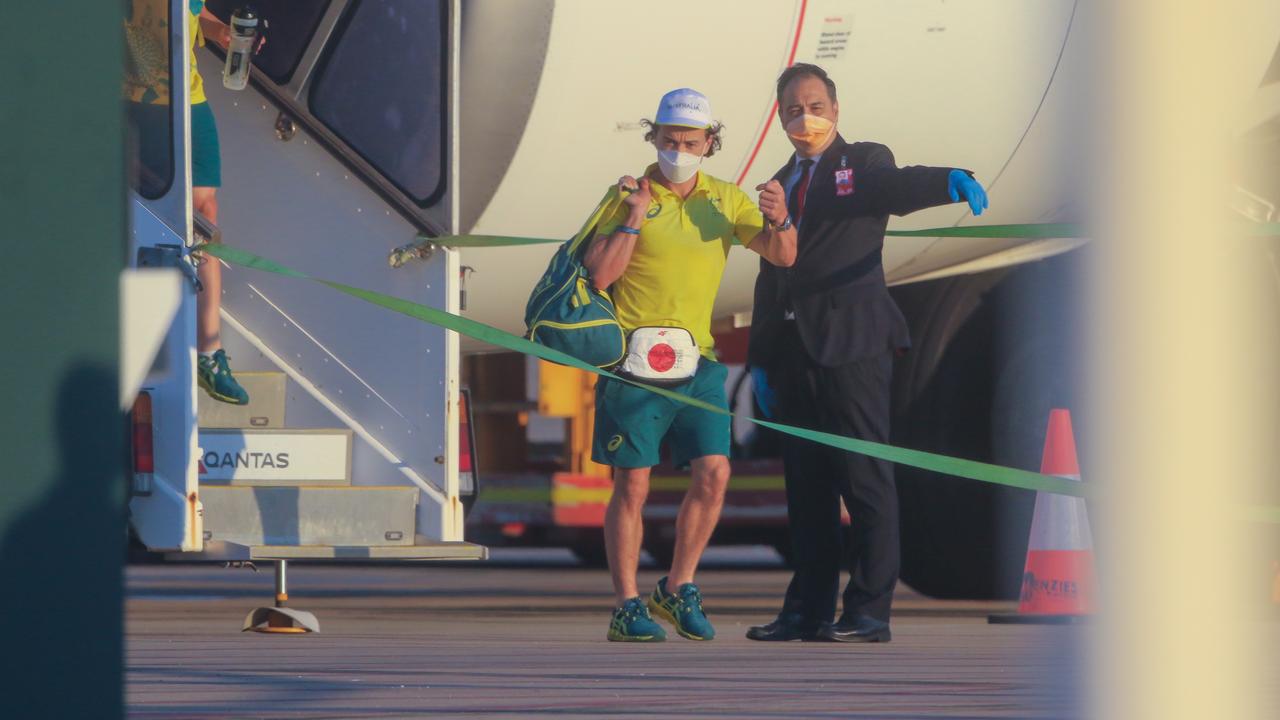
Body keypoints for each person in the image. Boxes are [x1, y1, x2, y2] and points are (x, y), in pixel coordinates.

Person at [745, 64, 989, 643]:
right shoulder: (779, 182)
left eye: (815, 104)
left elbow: (896, 186)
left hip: (853, 345)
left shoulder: (861, 163)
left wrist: (947, 178)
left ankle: (868, 611)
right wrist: (760, 358)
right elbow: (770, 276)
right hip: (795, 351)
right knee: (806, 487)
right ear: (780, 117)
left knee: (865, 479)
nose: (806, 116)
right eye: (794, 109)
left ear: (835, 107)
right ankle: (805, 608)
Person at [583, 88, 796, 642]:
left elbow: (783, 256)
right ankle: (627, 604)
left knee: (715, 473)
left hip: (696, 359)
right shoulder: (627, 193)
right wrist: (631, 216)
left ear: (709, 143)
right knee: (632, 485)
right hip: (632, 362)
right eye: (670, 139)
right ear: (653, 137)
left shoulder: (725, 200)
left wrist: (780, 218)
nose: (679, 149)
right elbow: (601, 276)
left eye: (691, 142)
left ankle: (677, 587)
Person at [124, 0, 250, 405]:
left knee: (205, 214)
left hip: (186, 99)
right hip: (134, 102)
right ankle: (139, 337)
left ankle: (210, 353)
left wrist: (220, 33)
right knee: (137, 215)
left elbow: (195, 12)